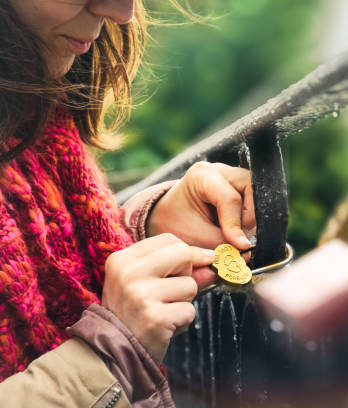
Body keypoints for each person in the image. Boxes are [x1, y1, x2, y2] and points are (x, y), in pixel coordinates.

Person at [0, 0, 255, 406]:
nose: (123, 12)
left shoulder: (32, 105)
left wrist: (146, 228)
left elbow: (39, 261)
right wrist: (107, 355)